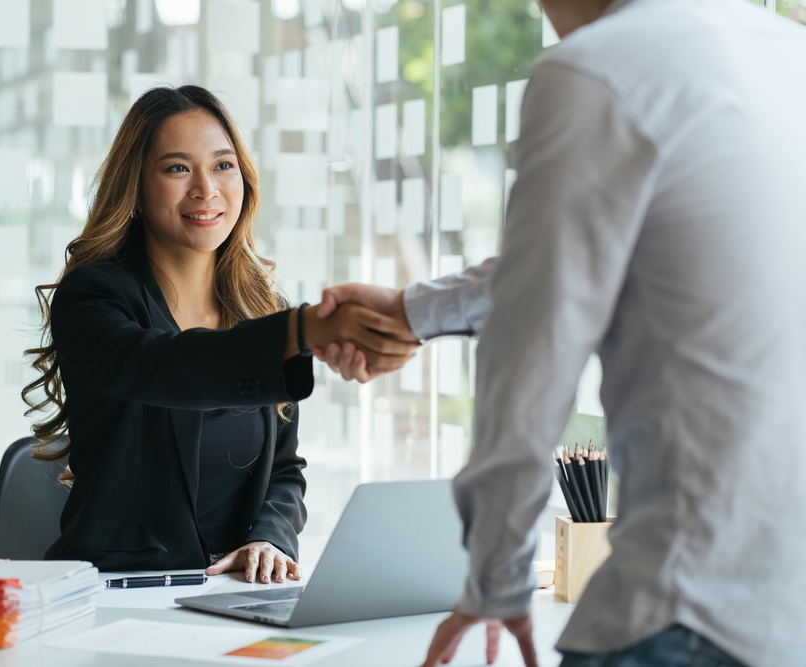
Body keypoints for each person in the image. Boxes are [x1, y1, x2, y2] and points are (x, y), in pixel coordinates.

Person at [319, 0, 806, 665]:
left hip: (686, 612)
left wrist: (498, 573)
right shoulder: (788, 52)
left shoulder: (597, 69)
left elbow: (532, 363)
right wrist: (412, 309)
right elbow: (571, 262)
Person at [22, 86, 416, 584]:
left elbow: (285, 471)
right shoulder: (92, 297)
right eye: (177, 168)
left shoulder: (261, 305)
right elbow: (170, 366)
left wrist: (269, 537)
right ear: (137, 187)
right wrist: (306, 329)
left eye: (224, 165)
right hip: (117, 589)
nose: (206, 190)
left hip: (231, 594)